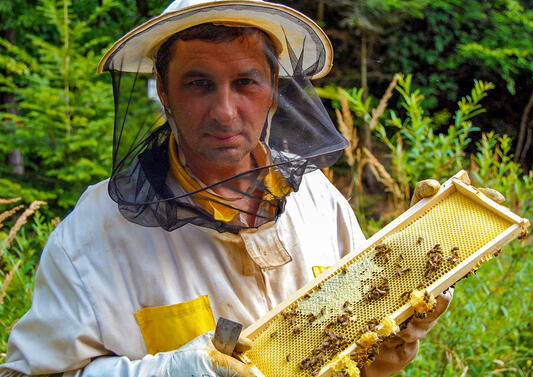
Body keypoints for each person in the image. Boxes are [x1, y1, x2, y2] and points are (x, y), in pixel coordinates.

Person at [0, 0, 498, 375]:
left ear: (276, 90)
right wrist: (178, 372)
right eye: (198, 84)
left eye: (246, 83)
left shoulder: (317, 200)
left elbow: (360, 351)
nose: (224, 112)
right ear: (165, 91)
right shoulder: (93, 234)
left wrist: (403, 311)